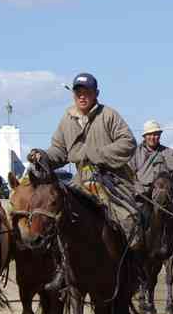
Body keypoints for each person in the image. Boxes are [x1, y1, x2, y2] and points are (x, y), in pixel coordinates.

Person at [27, 72, 143, 250]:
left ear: (96, 93)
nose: (82, 96)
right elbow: (59, 150)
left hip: (112, 180)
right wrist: (42, 156)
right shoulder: (67, 119)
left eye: (87, 92)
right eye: (78, 92)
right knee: (52, 215)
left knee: (129, 222)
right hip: (81, 180)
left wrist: (95, 154)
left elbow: (128, 142)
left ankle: (134, 271)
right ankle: (61, 268)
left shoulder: (108, 115)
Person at [130, 120, 173, 209]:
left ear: (160, 135)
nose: (153, 137)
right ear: (144, 136)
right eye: (149, 134)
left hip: (167, 191)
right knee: (132, 214)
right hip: (141, 192)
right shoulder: (134, 153)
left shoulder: (168, 152)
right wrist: (139, 190)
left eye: (156, 134)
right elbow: (128, 174)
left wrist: (171, 160)